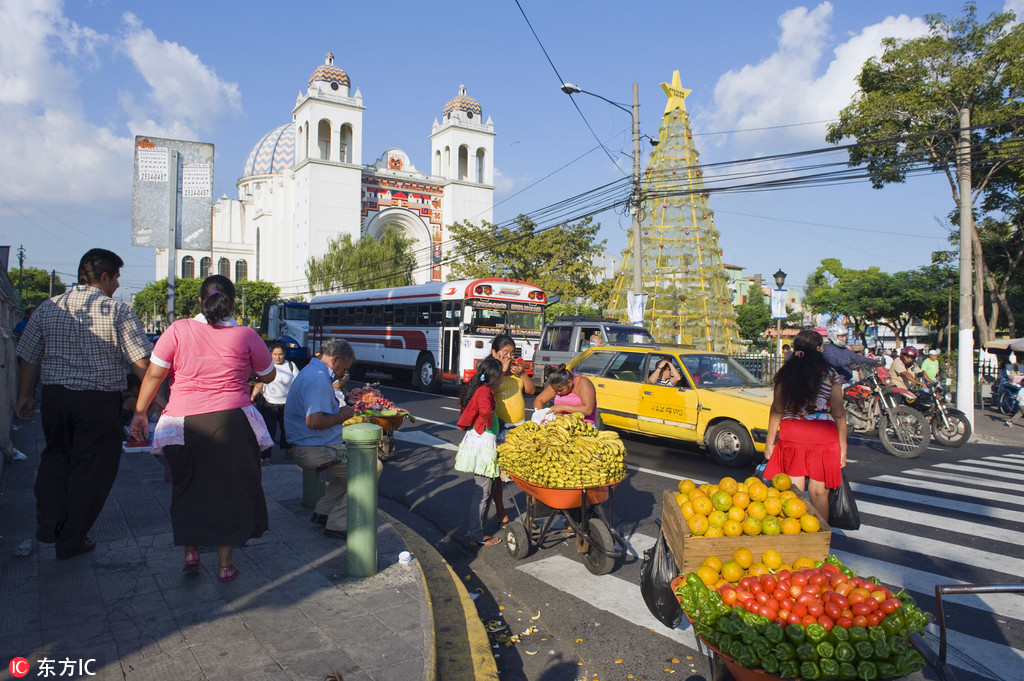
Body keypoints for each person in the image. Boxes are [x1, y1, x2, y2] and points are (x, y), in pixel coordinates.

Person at [130, 275, 275, 581]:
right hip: (232, 422)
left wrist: (140, 413)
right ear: (232, 302)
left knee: (186, 486)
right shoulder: (246, 335)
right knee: (230, 491)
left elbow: (155, 375)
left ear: (199, 300)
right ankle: (225, 565)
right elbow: (269, 375)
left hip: (181, 424)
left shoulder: (178, 329)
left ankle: (191, 552)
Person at [16, 248, 155, 560]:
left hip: (55, 398)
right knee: (92, 468)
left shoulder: (47, 308)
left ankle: (50, 515)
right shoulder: (117, 311)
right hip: (98, 401)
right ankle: (72, 538)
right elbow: (141, 363)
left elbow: (28, 356)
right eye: (117, 278)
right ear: (103, 277)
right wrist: (152, 400)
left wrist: (25, 395)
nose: (118, 284)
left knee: (55, 455)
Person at [285, 339, 381, 539]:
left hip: (311, 445)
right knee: (371, 467)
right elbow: (314, 420)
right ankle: (339, 521)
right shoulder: (318, 379)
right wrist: (344, 415)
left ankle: (324, 510)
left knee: (350, 473)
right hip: (315, 447)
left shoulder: (311, 372)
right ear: (336, 360)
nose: (343, 374)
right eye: (344, 368)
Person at [762, 329, 846, 523]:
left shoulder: (786, 373)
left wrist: (769, 442)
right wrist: (843, 447)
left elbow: (777, 409)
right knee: (819, 493)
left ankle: (796, 538)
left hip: (793, 433)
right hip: (823, 435)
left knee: (793, 492)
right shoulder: (831, 375)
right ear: (819, 349)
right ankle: (821, 539)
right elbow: (838, 412)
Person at [454, 357, 504, 548]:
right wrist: (489, 424)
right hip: (483, 442)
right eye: (500, 376)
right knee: (483, 491)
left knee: (486, 490)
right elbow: (485, 410)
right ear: (494, 377)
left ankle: (478, 531)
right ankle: (476, 535)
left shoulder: (482, 389)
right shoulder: (484, 392)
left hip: (483, 439)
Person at [490, 335, 535, 527]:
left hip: (520, 427)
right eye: (504, 354)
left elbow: (532, 391)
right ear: (494, 353)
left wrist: (523, 373)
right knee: (498, 475)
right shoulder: (492, 371)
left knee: (527, 471)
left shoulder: (517, 373)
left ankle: (530, 515)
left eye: (512, 354)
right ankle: (501, 512)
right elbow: (491, 389)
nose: (508, 357)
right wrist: (503, 369)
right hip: (501, 428)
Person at [251, 343, 299, 464]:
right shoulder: (267, 367)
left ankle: (288, 449)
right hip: (269, 404)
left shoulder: (291, 366)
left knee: (287, 430)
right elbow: (260, 383)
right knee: (269, 432)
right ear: (271, 355)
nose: (278, 357)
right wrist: (251, 397)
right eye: (275, 354)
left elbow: (298, 384)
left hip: (287, 405)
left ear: (285, 355)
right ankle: (266, 457)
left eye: (281, 354)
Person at [533, 364, 597, 424]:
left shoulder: (584, 383)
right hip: (560, 425)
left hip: (582, 425)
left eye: (561, 390)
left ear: (569, 382)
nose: (558, 393)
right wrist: (540, 415)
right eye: (556, 391)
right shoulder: (557, 384)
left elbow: (588, 410)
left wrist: (562, 407)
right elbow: (539, 400)